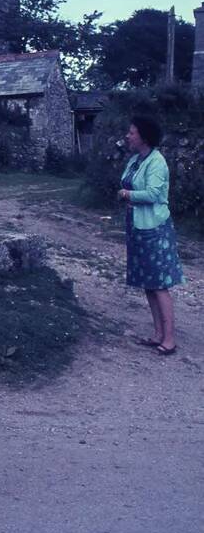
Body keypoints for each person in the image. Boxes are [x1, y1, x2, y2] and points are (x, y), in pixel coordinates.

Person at [118, 114, 183, 355]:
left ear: (144, 137)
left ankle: (170, 339)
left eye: (132, 132)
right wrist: (127, 194)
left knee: (159, 284)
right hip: (137, 226)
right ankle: (158, 334)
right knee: (148, 283)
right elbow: (130, 183)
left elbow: (154, 194)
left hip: (154, 228)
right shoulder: (136, 160)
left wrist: (126, 195)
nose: (128, 135)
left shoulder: (157, 162)